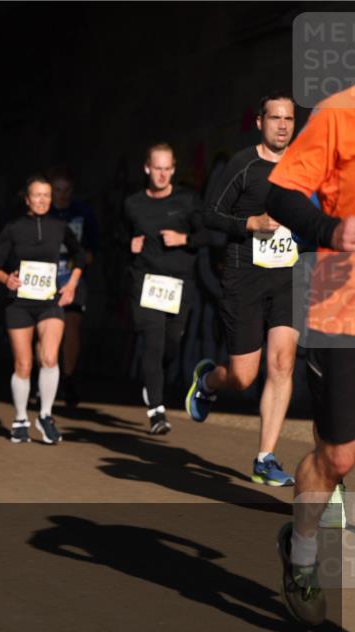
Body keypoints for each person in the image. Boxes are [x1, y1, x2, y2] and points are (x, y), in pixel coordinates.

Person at [247, 81, 355, 627]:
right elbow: (282, 194)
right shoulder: (339, 114)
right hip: (343, 309)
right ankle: (303, 550)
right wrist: (331, 229)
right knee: (338, 459)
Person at [185, 93, 299, 486]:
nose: (282, 125)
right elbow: (209, 214)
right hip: (244, 277)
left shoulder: (304, 165)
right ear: (260, 122)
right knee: (243, 377)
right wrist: (249, 223)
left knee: (283, 363)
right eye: (275, 118)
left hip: (287, 277)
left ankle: (265, 458)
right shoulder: (243, 164)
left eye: (289, 119)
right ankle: (208, 381)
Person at [0, 175, 84, 445]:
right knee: (24, 364)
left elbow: (80, 255)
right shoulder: (13, 228)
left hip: (49, 303)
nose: (42, 200)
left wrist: (71, 285)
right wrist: (7, 279)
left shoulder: (60, 226)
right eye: (37, 195)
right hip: (19, 304)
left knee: (50, 358)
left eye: (46, 195)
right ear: (27, 199)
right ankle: (20, 419)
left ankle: (45, 415)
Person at [125, 143, 211, 434]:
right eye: (156, 169)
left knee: (170, 345)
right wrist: (128, 243)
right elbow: (114, 236)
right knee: (152, 341)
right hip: (146, 281)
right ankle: (156, 411)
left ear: (173, 170)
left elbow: (207, 235)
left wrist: (183, 239)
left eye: (167, 169)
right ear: (147, 168)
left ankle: (154, 382)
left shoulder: (188, 200)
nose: (161, 175)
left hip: (178, 284)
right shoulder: (133, 204)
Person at [48, 167, 98, 407]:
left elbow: (93, 248)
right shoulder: (42, 210)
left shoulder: (83, 213)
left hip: (72, 277)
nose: (62, 195)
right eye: (58, 190)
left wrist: (86, 256)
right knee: (45, 329)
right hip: (45, 277)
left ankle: (67, 379)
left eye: (67, 190)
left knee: (72, 325)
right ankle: (43, 377)